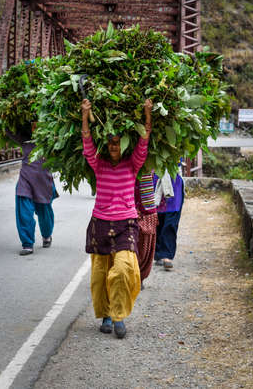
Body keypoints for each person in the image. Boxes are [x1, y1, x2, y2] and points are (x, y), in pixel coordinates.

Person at [81, 98, 152, 338]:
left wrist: (147, 114)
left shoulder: (132, 165)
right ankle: (106, 314)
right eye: (110, 143)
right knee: (101, 274)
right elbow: (87, 142)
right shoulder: (98, 165)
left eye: (117, 143)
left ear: (123, 145)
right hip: (100, 223)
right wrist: (85, 114)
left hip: (126, 225)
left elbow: (144, 140)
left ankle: (119, 315)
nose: (113, 147)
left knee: (123, 269)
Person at [6, 123, 58, 256]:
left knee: (45, 213)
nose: (35, 126)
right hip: (25, 180)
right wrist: (4, 119)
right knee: (23, 211)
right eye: (33, 123)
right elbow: (8, 130)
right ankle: (27, 244)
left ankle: (46, 235)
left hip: (44, 182)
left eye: (38, 123)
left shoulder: (51, 141)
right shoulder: (25, 140)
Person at [153, 165, 184, 270]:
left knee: (171, 222)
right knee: (156, 220)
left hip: (173, 181)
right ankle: (157, 253)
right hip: (154, 179)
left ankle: (166, 255)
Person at [134, 172, 158, 289]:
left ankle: (139, 276)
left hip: (147, 206)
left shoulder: (149, 161)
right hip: (128, 206)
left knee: (145, 248)